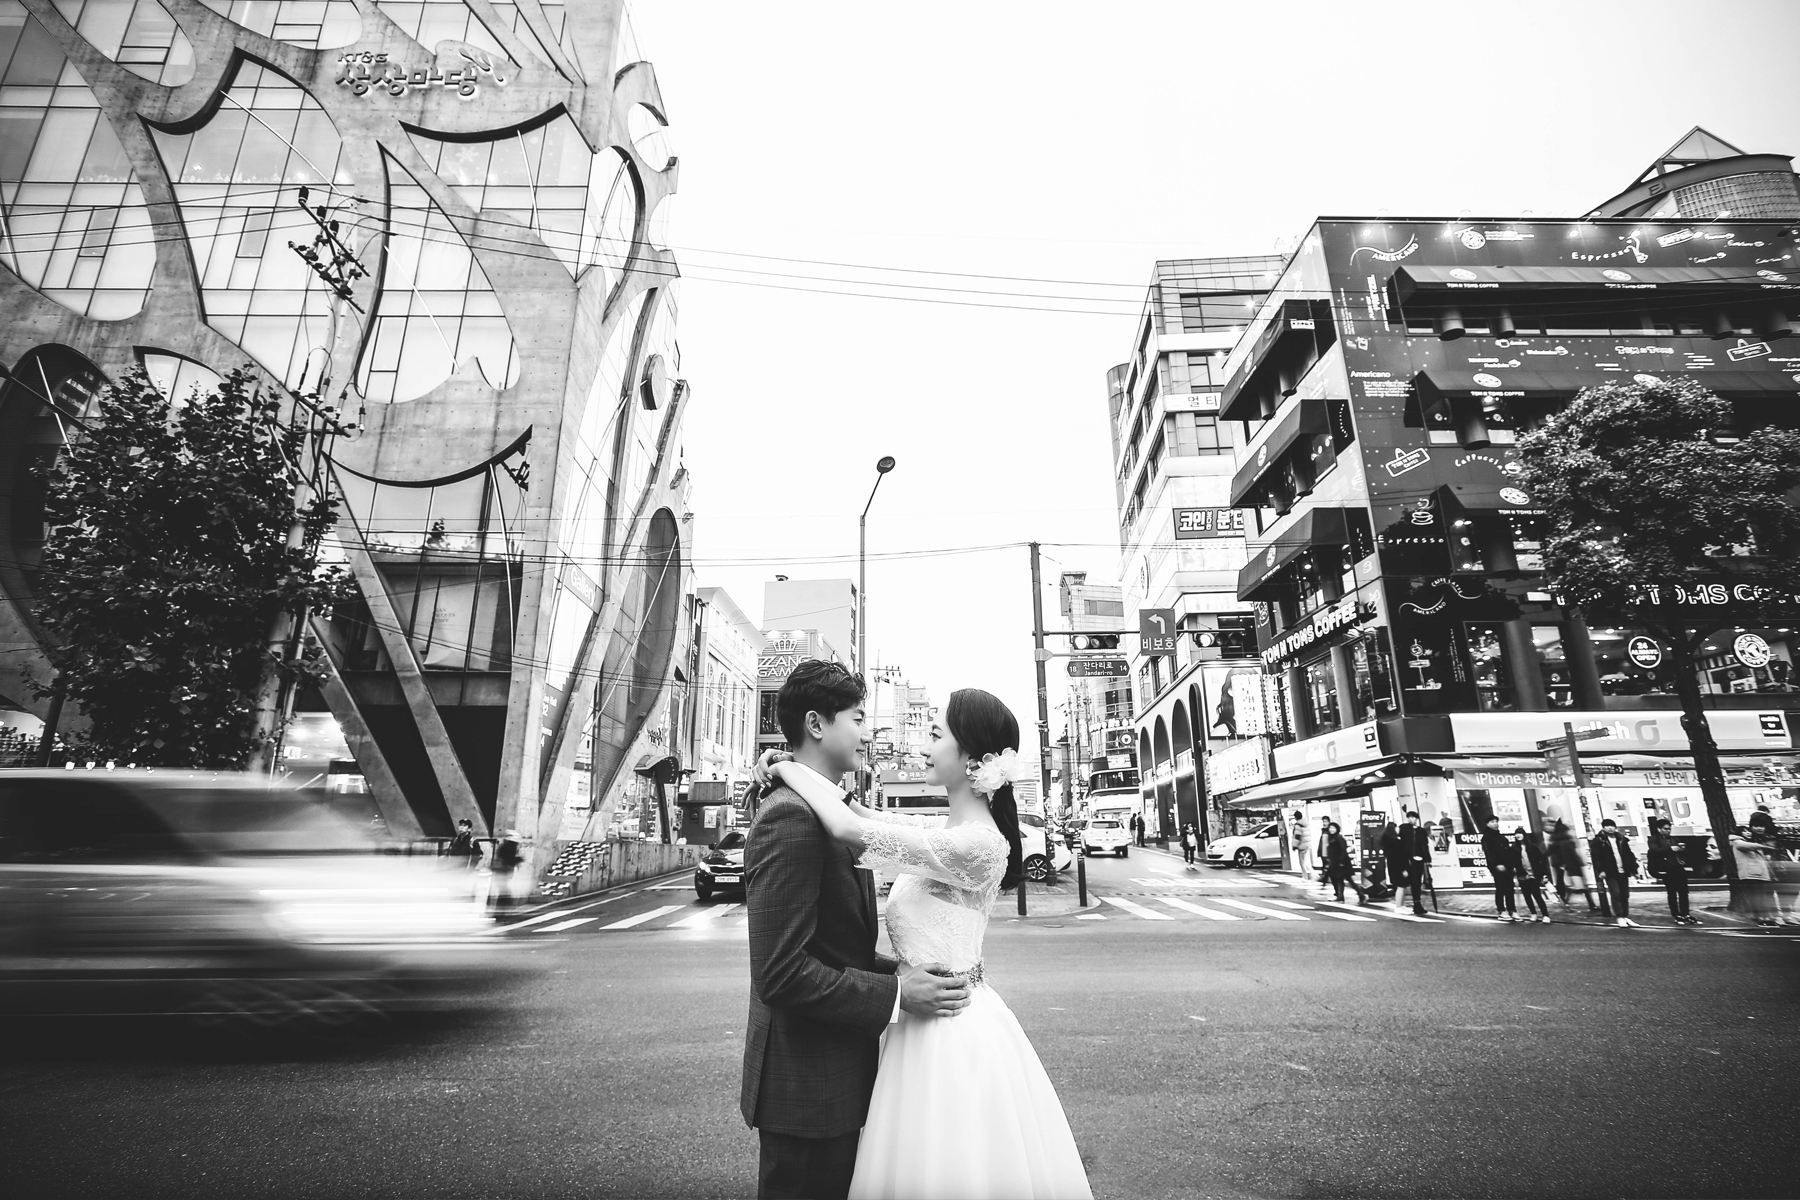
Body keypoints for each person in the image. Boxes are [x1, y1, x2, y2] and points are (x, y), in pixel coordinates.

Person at [757, 685, 1092, 1199]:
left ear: (971, 756)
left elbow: (847, 827)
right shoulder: (944, 831)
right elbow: (860, 813)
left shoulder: (979, 844)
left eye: (935, 735)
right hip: (915, 1019)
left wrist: (787, 768)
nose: (923, 746)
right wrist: (791, 765)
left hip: (953, 1031)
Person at [740, 661, 974, 1200]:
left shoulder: (826, 809)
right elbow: (780, 973)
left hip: (835, 1073)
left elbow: (837, 946)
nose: (868, 733)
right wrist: (898, 992)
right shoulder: (790, 817)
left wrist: (905, 973)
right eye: (859, 717)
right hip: (806, 1088)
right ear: (817, 724)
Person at [1589, 818, 1639, 928]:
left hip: (1623, 870)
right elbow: (1596, 856)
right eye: (1607, 826)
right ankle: (1619, 916)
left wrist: (1634, 869)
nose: (1610, 828)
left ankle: (1625, 915)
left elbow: (1629, 855)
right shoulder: (1599, 840)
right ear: (1603, 828)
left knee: (1625, 894)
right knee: (1615, 893)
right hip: (1610, 871)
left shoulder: (1621, 839)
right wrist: (1600, 870)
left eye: (1612, 826)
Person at [1647, 816, 1696, 925]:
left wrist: (1682, 849)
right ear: (1659, 829)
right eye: (1665, 829)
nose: (1668, 831)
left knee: (1684, 892)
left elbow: (1683, 853)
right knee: (1672, 892)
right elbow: (1655, 852)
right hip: (1667, 869)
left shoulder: (1674, 839)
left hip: (1678, 867)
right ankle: (1676, 914)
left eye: (1669, 829)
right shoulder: (1654, 839)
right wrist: (1670, 849)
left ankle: (1685, 913)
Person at [1729, 825, 1779, 927]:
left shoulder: (1753, 844)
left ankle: (1766, 917)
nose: (1748, 833)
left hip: (1760, 875)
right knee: (1756, 898)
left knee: (1762, 897)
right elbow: (1746, 846)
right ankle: (1760, 918)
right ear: (1739, 833)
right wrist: (1765, 846)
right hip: (1750, 874)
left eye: (1748, 831)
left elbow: (1763, 862)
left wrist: (1771, 875)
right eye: (1744, 831)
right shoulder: (1736, 841)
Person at [1480, 816, 1519, 922]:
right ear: (1487, 824)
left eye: (1496, 821)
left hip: (1508, 866)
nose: (1495, 823)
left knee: (1510, 889)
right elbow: (1489, 854)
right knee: (1501, 888)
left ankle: (1512, 910)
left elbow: (1508, 852)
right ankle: (1501, 910)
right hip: (1497, 867)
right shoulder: (1486, 837)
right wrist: (1496, 865)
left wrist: (1513, 864)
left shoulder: (1501, 837)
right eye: (1492, 822)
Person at [1549, 820, 1592, 910]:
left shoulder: (1555, 841)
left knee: (1577, 886)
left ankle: (1565, 902)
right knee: (1580, 886)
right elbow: (1573, 854)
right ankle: (1567, 902)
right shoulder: (1567, 842)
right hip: (1573, 866)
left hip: (1566, 867)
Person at [1396, 811, 1432, 915]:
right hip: (1408, 860)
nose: (1410, 819)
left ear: (1416, 819)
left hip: (1419, 859)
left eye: (1413, 817)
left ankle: (1417, 904)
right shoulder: (1404, 828)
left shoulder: (1421, 831)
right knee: (1407, 882)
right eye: (1409, 817)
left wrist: (1427, 859)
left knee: (1417, 882)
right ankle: (1404, 905)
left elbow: (1425, 845)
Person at [1324, 822, 1368, 904]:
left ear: (1337, 829)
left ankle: (1360, 895)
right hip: (1337, 863)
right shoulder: (1332, 838)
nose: (1331, 830)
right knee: (1340, 880)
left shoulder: (1338, 837)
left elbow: (1343, 850)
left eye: (1333, 828)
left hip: (1342, 864)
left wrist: (1341, 861)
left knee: (1348, 880)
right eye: (1330, 828)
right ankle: (1341, 896)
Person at [1512, 827, 1550, 923]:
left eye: (1520, 833)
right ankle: (1533, 913)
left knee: (1537, 895)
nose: (1518, 835)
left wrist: (1544, 874)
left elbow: (1540, 860)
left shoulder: (1532, 847)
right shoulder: (1514, 848)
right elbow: (1514, 863)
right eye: (1516, 833)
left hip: (1533, 875)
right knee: (1527, 896)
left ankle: (1545, 914)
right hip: (1522, 876)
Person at [1380, 820, 1405, 899]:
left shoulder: (1385, 838)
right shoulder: (1395, 840)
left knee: (1393, 875)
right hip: (1398, 860)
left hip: (1390, 860)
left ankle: (1395, 888)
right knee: (1399, 877)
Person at [1287, 809, 1306, 875]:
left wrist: (1294, 846)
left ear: (1296, 817)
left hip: (1301, 845)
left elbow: (1297, 836)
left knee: (1302, 862)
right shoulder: (1305, 823)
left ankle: (1306, 876)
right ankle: (1309, 875)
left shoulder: (1297, 825)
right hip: (1306, 844)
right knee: (1305, 861)